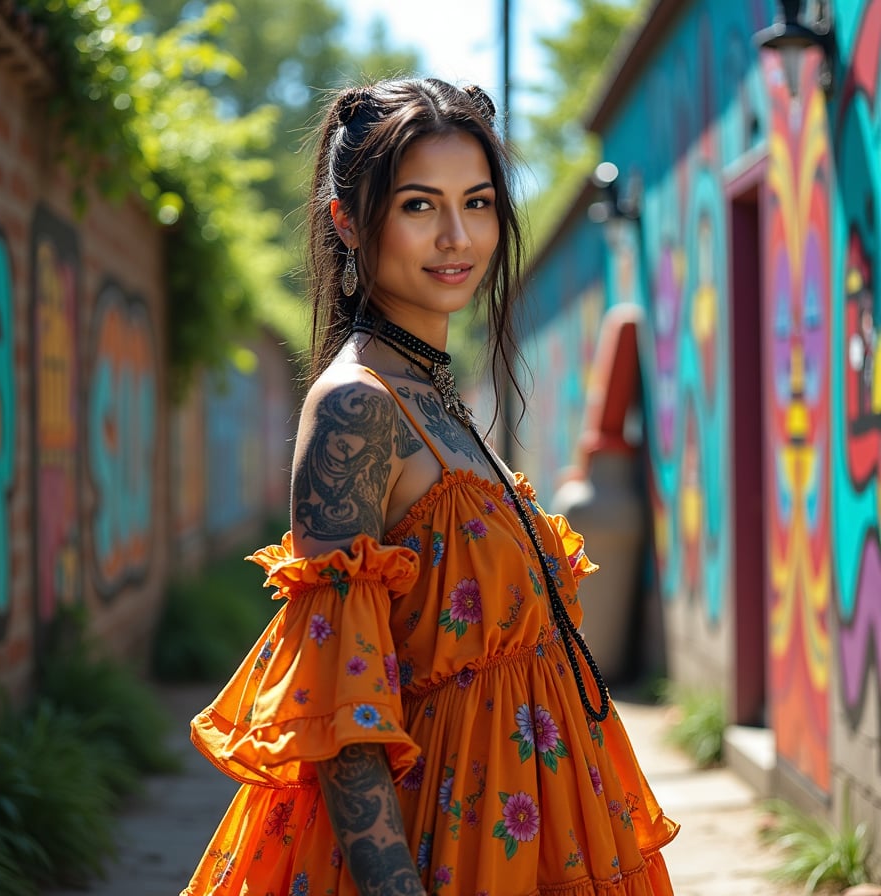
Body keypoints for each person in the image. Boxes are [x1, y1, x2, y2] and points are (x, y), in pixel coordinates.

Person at [183, 76, 678, 896]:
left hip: (527, 835)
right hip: (437, 848)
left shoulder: (431, 395)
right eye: (420, 206)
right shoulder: (356, 408)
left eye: (478, 202)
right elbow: (342, 712)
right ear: (347, 220)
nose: (458, 236)